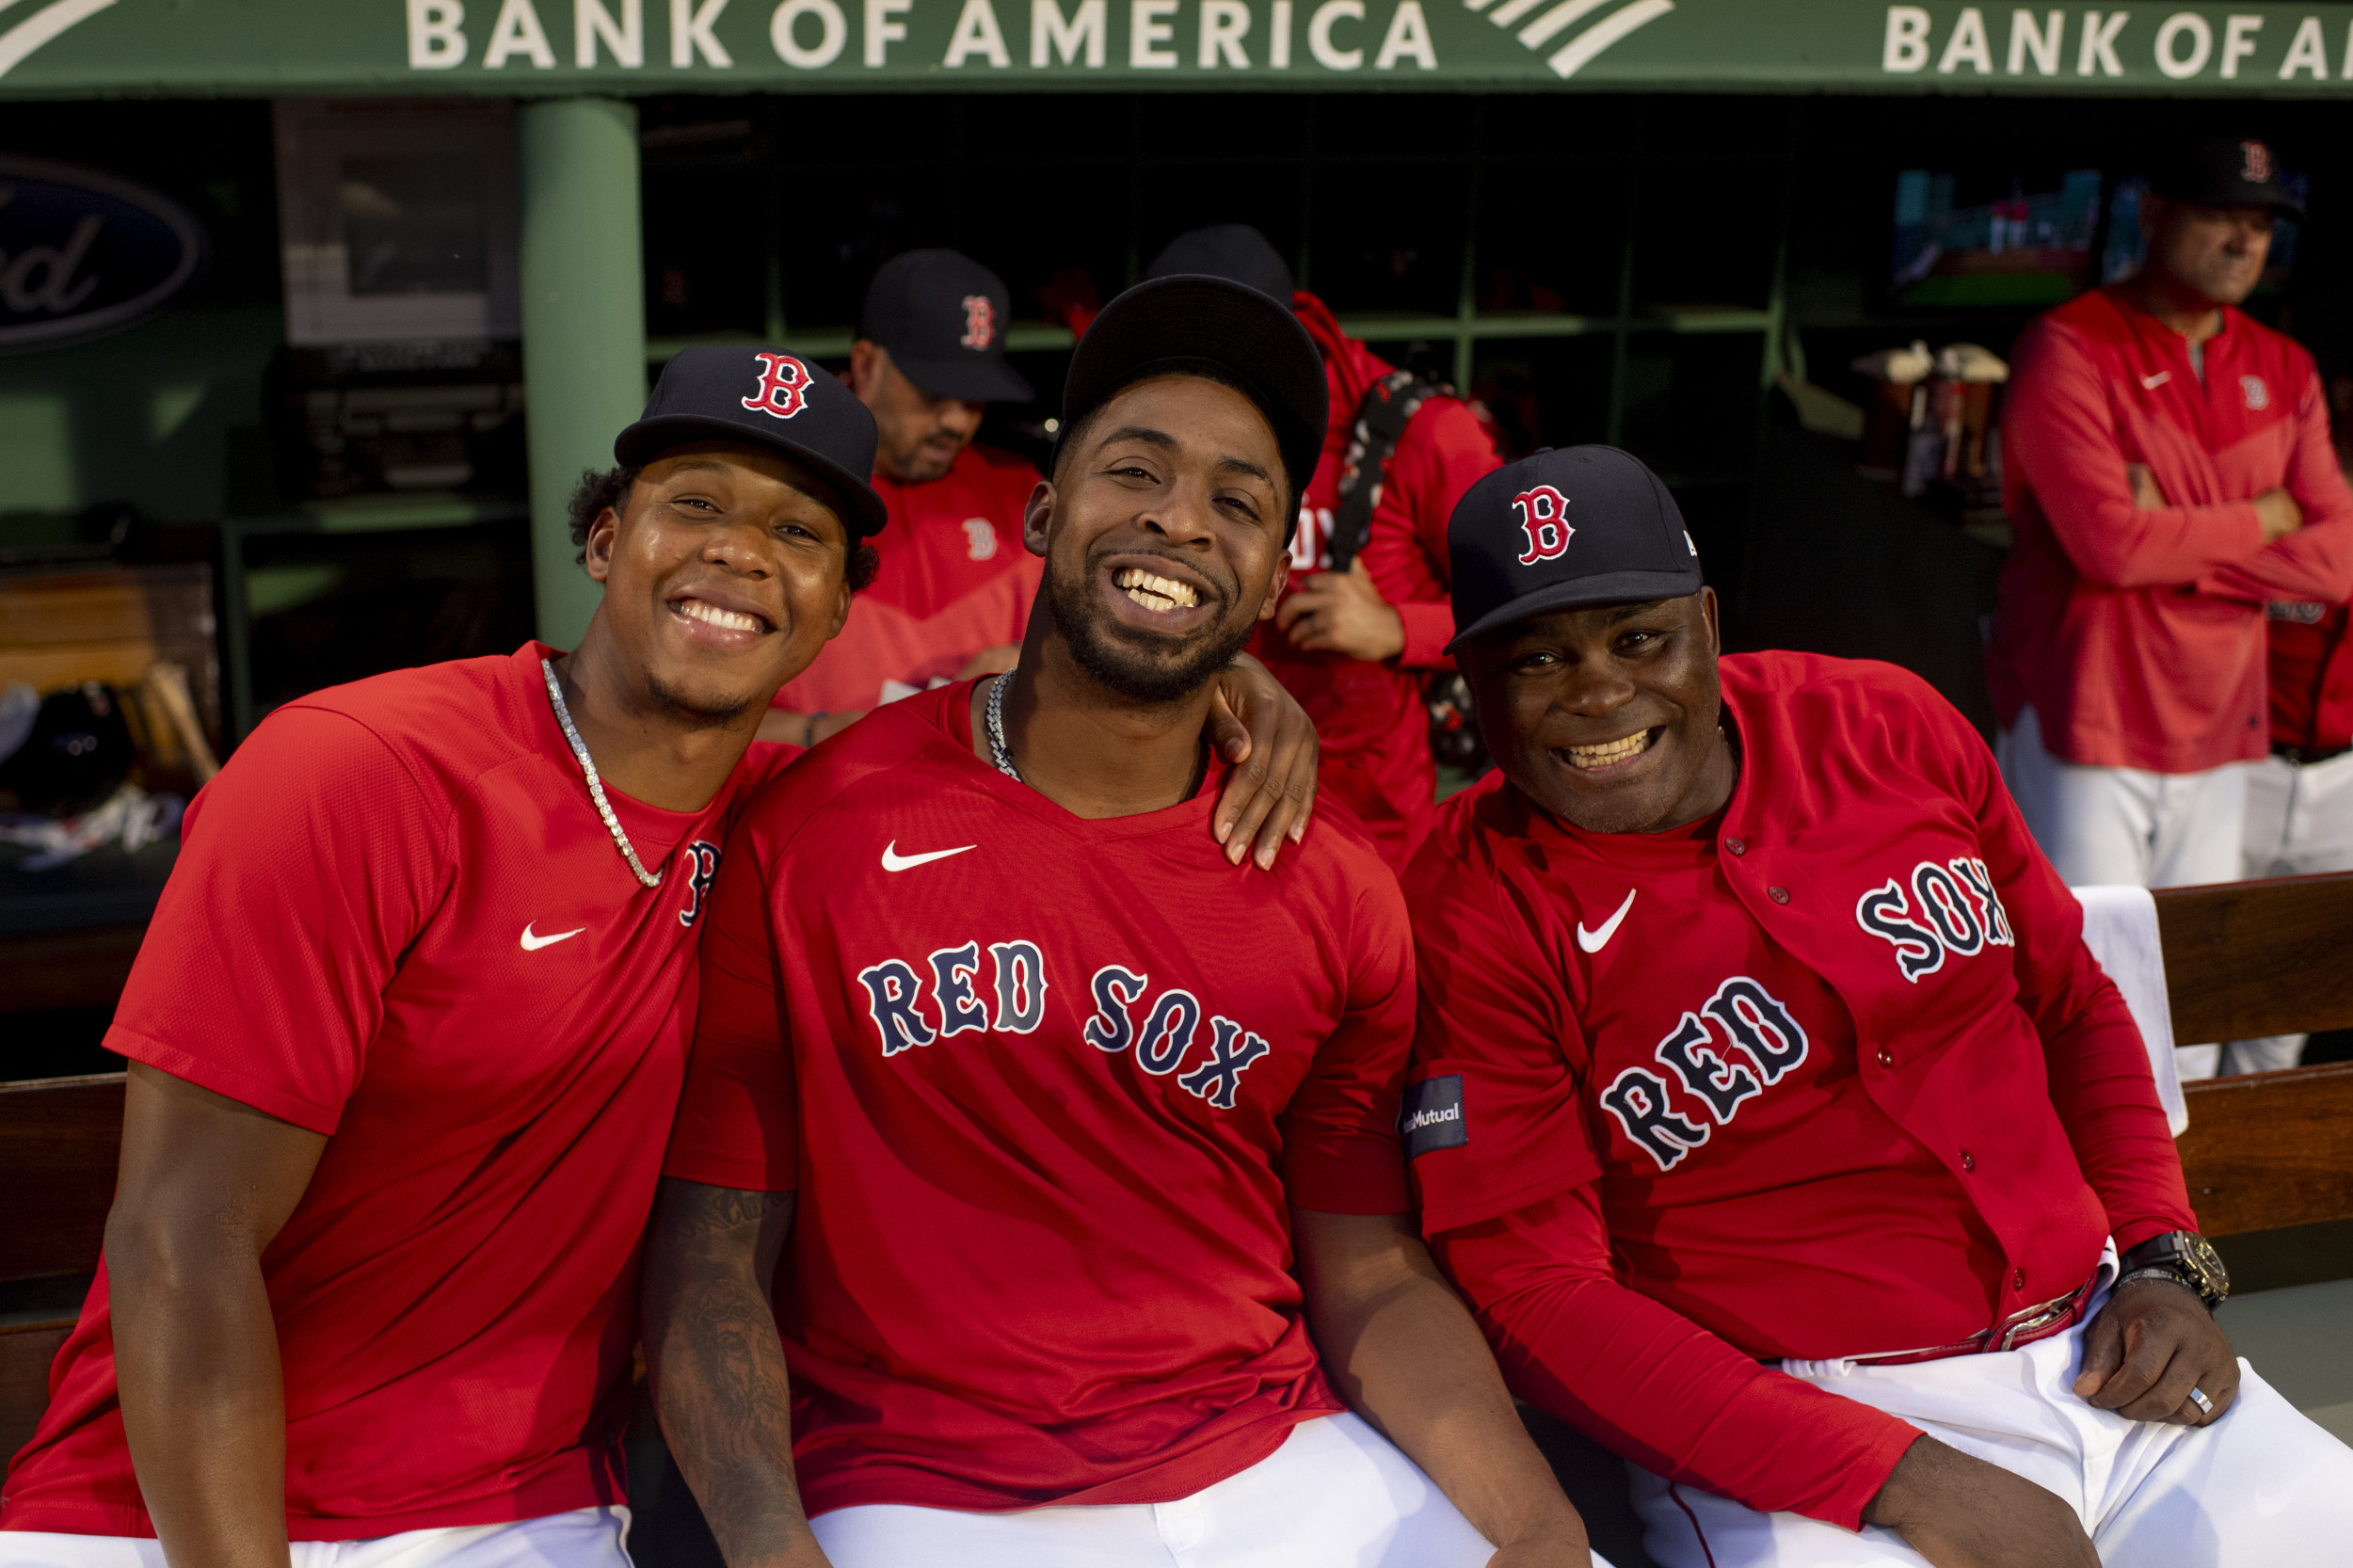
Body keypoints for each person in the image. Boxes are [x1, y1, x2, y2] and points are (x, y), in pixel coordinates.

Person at [0, 347, 1320, 1567]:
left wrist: (1228, 684)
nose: (742, 552)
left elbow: (1009, 723)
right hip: (179, 1517)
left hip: (529, 1514)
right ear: (605, 536)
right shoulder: (363, 771)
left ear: (837, 607)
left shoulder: (788, 823)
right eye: (698, 503)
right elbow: (181, 1239)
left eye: (798, 531)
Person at [642, 275, 1601, 1568]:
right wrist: (768, 1543)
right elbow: (711, 1260)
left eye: (1237, 503)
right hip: (932, 1490)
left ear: (1271, 571)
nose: (1178, 519)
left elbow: (1365, 1268)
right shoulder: (809, 829)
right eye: (1134, 470)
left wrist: (1539, 1526)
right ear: (1046, 508)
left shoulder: (1335, 886)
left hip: (1277, 1457)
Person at [1401, 443, 2353, 1568]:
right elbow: (1535, 1294)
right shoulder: (1467, 909)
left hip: (2106, 1342)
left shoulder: (1881, 724)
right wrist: (1900, 1477)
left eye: (1638, 637)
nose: (1598, 691)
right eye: (1537, 658)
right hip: (1796, 1433)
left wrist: (2160, 1260)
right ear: (1472, 689)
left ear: (1707, 621)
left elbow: (2073, 998)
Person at [1988, 135, 2353, 914]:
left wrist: (2177, 537)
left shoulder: (2285, 366)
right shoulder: (2069, 347)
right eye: (2219, 214)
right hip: (2085, 720)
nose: (2242, 241)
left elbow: (2334, 563)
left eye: (2259, 225)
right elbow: (2111, 547)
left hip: (2222, 730)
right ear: (2154, 215)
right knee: (2081, 980)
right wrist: (2265, 515)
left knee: (2187, 994)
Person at [1145, 223, 1502, 871]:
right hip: (1196, 806)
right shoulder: (1164, 435)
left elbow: (1527, 606)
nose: (1200, 393)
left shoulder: (1420, 433)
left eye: (1223, 363)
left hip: (1368, 834)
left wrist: (1397, 628)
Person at [762, 248, 1046, 748]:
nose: (957, 421)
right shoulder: (773, 485)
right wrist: (818, 736)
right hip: (802, 801)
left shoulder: (1020, 490)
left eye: (974, 397)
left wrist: (1040, 670)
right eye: (934, 394)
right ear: (867, 365)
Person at [2225, 592, 2353, 1072]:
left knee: (2287, 1004)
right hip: (2238, 762)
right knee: (2185, 968)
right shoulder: (2292, 520)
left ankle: (2251, 1146)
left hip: (2342, 775)